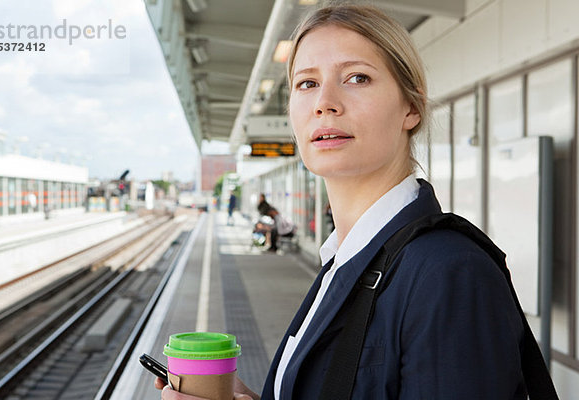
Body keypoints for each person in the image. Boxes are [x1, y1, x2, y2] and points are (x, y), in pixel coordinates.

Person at [156, 4, 527, 399]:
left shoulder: (447, 272)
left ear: (411, 108)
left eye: (357, 77)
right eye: (306, 83)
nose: (325, 103)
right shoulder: (347, 259)